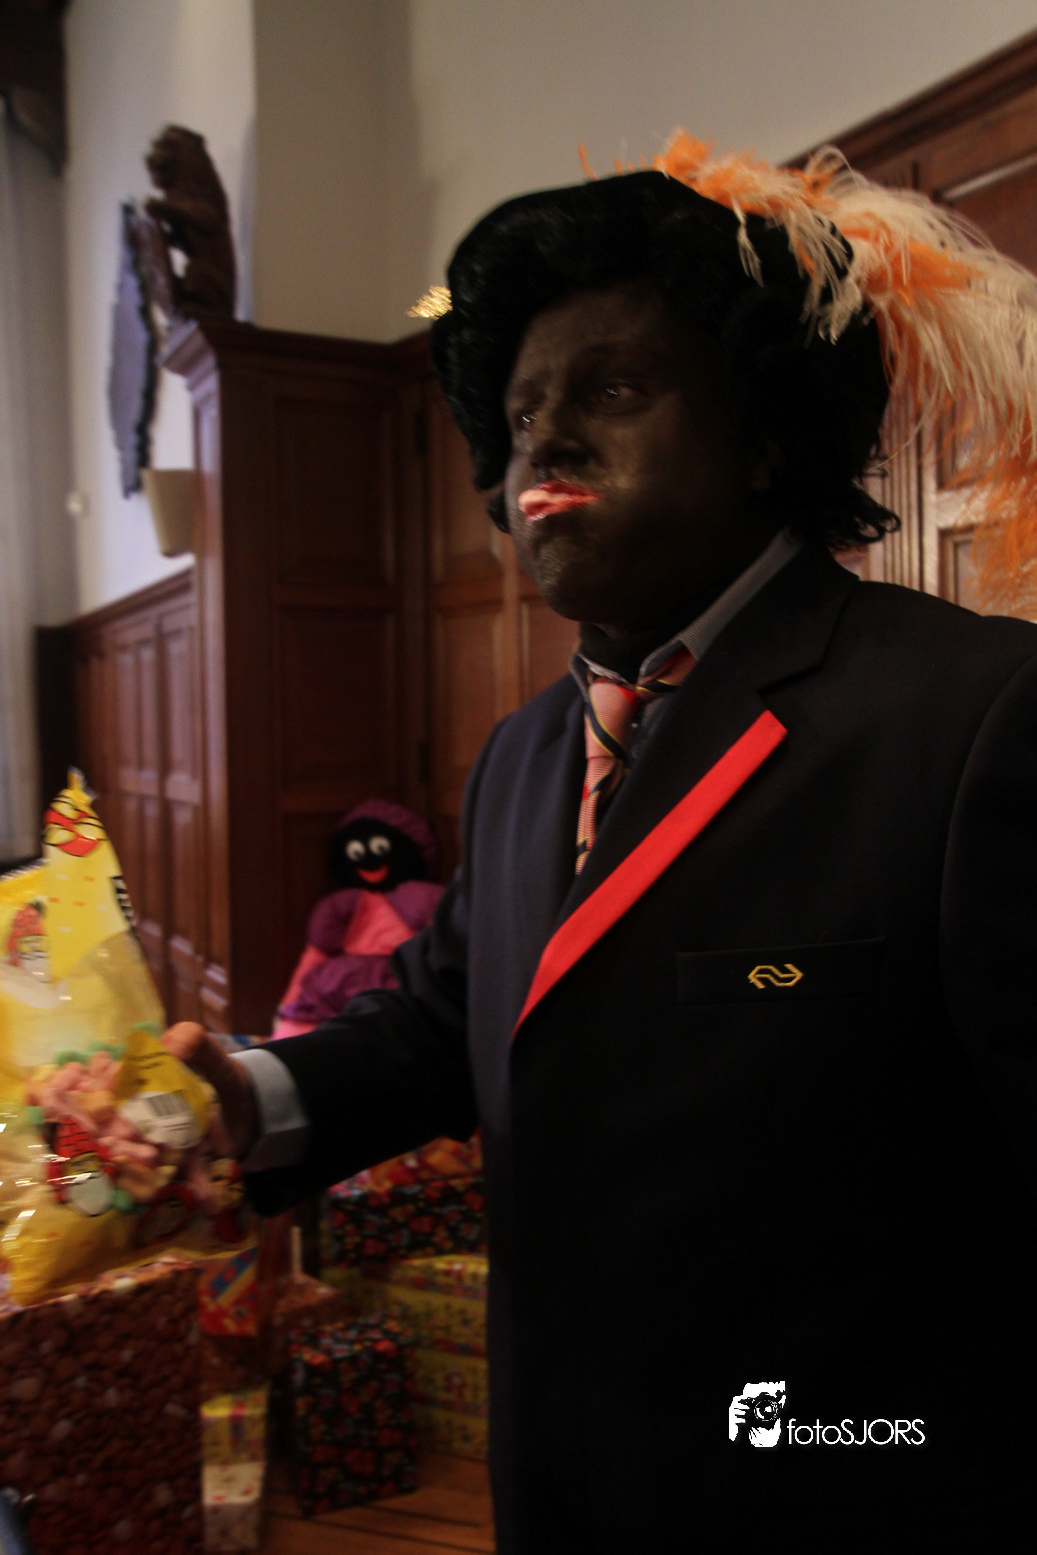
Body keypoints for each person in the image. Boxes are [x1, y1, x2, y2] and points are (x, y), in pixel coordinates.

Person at [166, 135, 1037, 1553]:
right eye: (520, 414)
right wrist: (239, 1099)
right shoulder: (523, 756)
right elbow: (445, 1024)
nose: (545, 444)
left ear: (764, 432)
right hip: (559, 1492)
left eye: (614, 391)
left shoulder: (978, 716)